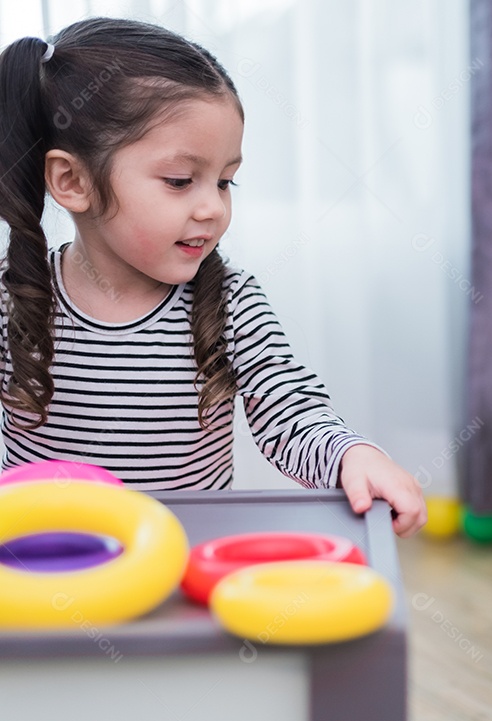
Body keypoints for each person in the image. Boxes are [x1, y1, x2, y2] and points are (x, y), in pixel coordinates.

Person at [0, 18, 425, 537]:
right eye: (180, 181)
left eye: (225, 181)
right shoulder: (14, 299)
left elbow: (289, 410)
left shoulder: (230, 302)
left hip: (184, 570)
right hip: (47, 574)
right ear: (72, 180)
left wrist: (352, 456)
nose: (212, 208)